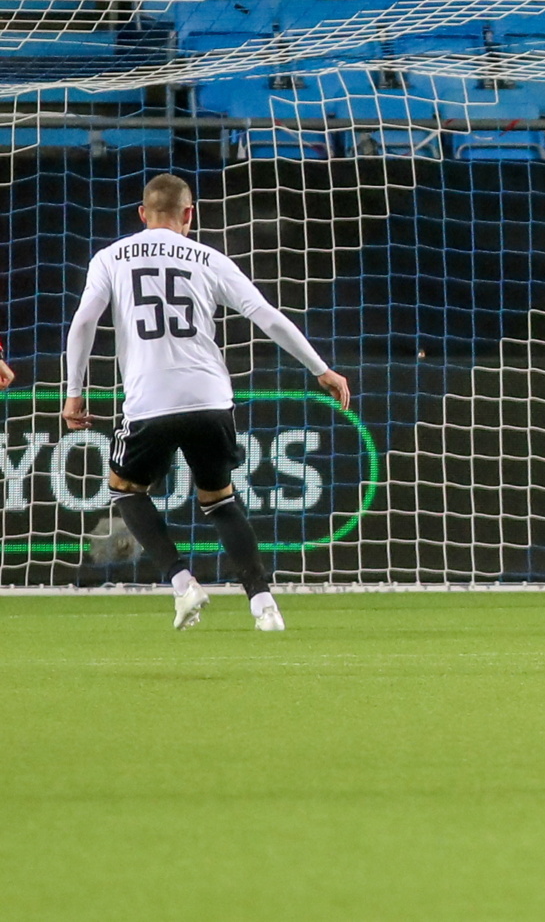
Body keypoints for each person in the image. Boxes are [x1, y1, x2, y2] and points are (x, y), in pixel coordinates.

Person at [62, 174, 350, 632]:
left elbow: (83, 324)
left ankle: (182, 583)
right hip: (211, 399)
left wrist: (73, 390)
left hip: (149, 401)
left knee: (123, 488)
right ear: (188, 214)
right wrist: (321, 369)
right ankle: (264, 606)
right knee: (219, 499)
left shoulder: (110, 258)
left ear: (142, 214)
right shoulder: (208, 258)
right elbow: (266, 316)